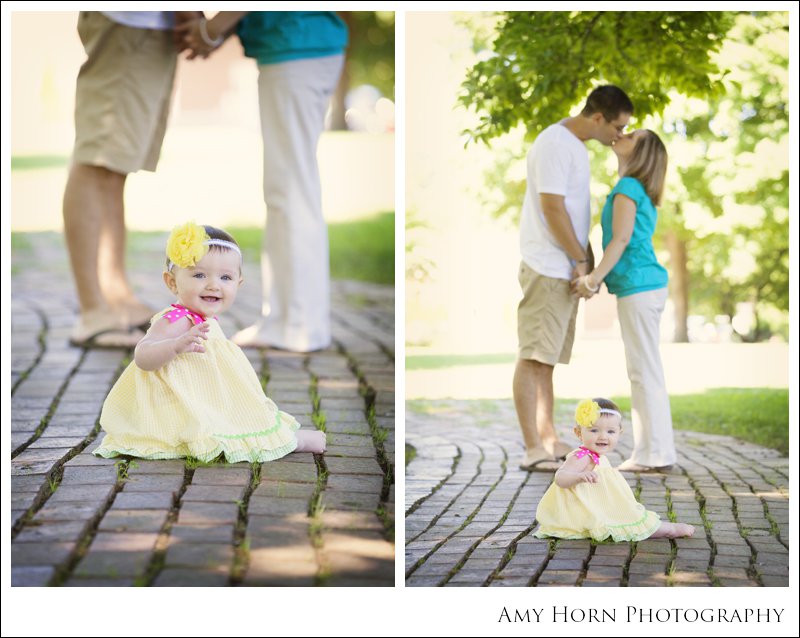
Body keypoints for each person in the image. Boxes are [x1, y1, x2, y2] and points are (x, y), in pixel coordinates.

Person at [176, 11, 348, 352]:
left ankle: (299, 325)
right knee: (287, 190)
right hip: (297, 47)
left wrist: (210, 30)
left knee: (292, 192)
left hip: (297, 48)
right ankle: (286, 320)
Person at [93, 222, 326, 462]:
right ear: (172, 282)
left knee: (242, 416)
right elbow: (142, 356)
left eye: (226, 277)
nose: (213, 284)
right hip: (178, 402)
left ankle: (286, 438)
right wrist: (175, 346)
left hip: (207, 395)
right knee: (234, 425)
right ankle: (294, 441)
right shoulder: (175, 319)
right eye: (199, 275)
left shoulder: (203, 318)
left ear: (238, 284)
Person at [514, 85, 633, 471]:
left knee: (546, 360)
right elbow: (551, 208)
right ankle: (533, 448)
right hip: (548, 266)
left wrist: (584, 258)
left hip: (561, 266)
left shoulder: (575, 147)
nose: (618, 135)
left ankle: (549, 439)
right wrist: (581, 259)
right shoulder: (555, 143)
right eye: (617, 126)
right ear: (597, 117)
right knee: (532, 357)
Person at [64, 11, 193, 348]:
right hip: (131, 20)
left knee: (115, 165)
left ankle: (117, 298)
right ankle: (93, 310)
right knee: (97, 158)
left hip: (149, 25)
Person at [572, 129, 676, 472]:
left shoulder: (629, 188)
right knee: (645, 371)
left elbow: (620, 240)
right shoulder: (634, 189)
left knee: (644, 372)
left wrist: (592, 278)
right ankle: (650, 453)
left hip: (639, 286)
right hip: (644, 286)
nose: (622, 134)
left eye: (631, 134)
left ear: (642, 151)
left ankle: (656, 455)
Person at [534, 398, 694, 541]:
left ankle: (663, 528)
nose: (603, 436)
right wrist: (579, 476)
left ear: (619, 433)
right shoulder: (582, 456)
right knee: (628, 518)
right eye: (594, 430)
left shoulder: (596, 455)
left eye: (610, 431)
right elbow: (560, 478)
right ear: (579, 433)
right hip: (588, 508)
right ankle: (668, 530)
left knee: (628, 514)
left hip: (602, 504)